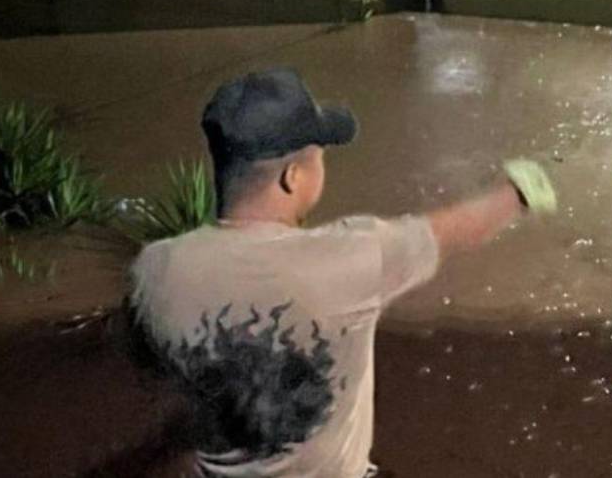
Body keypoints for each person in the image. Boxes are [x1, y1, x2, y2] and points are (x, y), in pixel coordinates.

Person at [127, 67, 556, 478]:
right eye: (319, 158)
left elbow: (151, 369)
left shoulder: (154, 268)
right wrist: (516, 194)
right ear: (293, 177)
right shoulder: (353, 256)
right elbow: (453, 230)